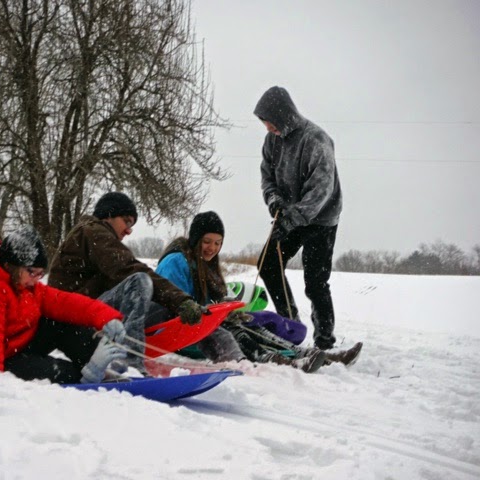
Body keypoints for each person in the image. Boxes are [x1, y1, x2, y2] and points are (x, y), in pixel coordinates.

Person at [0, 225, 128, 385]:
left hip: (13, 347)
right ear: (11, 266)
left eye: (40, 274)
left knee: (59, 322)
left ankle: (95, 363)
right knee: (58, 372)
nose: (36, 279)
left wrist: (106, 317)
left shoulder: (28, 287)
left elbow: (66, 303)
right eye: (32, 272)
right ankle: (82, 376)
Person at [155, 211, 333, 373]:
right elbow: (175, 304)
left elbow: (209, 302)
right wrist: (214, 314)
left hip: (196, 330)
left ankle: (297, 352)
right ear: (196, 239)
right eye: (207, 241)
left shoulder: (204, 265)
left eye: (217, 243)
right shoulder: (176, 262)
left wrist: (226, 309)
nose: (212, 248)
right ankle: (269, 358)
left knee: (247, 324)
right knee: (231, 329)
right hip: (174, 335)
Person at [47, 192, 205, 374]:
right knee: (139, 282)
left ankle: (212, 354)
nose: (129, 230)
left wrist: (179, 303)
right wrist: (180, 300)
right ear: (108, 215)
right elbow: (130, 269)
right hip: (73, 320)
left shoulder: (93, 235)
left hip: (84, 315)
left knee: (161, 303)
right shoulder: (93, 231)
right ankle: (129, 363)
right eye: (127, 222)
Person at [254, 86, 343, 351]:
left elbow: (321, 190)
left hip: (320, 219)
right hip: (289, 215)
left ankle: (324, 341)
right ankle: (290, 324)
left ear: (284, 115)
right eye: (264, 122)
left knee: (315, 282)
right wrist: (274, 200)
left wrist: (292, 219)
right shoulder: (271, 141)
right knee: (268, 263)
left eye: (270, 121)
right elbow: (267, 177)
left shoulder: (316, 140)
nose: (267, 127)